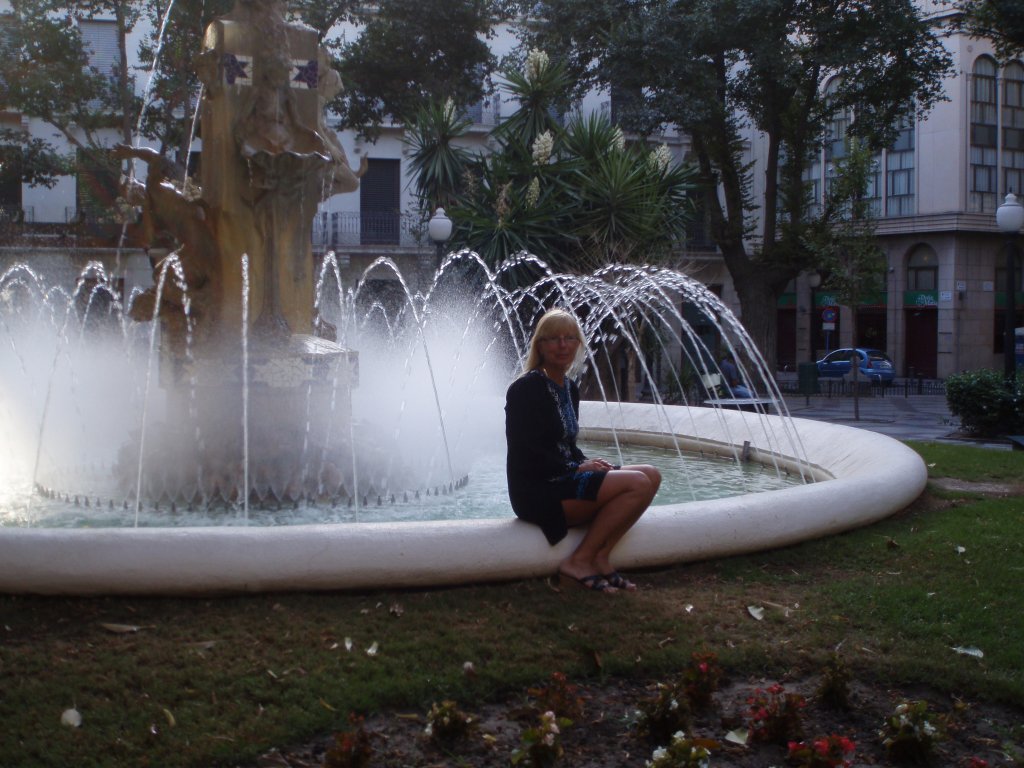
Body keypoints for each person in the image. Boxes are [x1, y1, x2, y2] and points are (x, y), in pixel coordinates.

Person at [505, 309, 661, 593]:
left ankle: (601, 556)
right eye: (553, 338)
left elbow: (566, 445)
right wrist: (575, 468)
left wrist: (586, 462)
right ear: (540, 345)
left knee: (651, 475)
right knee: (637, 483)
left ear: (578, 344)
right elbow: (526, 452)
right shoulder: (525, 389)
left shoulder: (569, 387)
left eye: (569, 338)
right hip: (538, 490)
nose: (562, 345)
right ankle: (579, 560)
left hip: (565, 478)